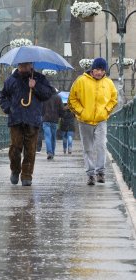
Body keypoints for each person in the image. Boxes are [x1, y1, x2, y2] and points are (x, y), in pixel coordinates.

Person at [0, 62, 55, 186]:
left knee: (30, 149)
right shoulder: (11, 80)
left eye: (26, 65)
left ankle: (27, 175)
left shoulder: (39, 78)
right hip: (16, 119)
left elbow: (48, 94)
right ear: (18, 65)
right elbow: (2, 96)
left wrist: (35, 86)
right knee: (15, 148)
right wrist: (9, 108)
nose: (23, 67)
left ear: (31, 65)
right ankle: (15, 170)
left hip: (32, 119)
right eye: (21, 65)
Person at [68, 57, 117, 185]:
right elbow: (72, 99)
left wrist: (106, 111)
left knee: (101, 146)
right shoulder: (81, 81)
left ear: (104, 71)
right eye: (97, 69)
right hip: (85, 121)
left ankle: (100, 172)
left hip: (101, 120)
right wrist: (81, 112)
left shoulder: (109, 83)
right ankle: (90, 174)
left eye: (101, 70)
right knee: (88, 148)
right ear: (92, 69)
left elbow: (114, 99)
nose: (99, 72)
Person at [42, 90, 64, 160]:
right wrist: (60, 116)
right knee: (53, 137)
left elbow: (41, 108)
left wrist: (42, 115)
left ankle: (49, 152)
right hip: (55, 120)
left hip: (46, 119)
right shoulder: (58, 97)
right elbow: (61, 109)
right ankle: (53, 153)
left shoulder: (44, 97)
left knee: (47, 137)